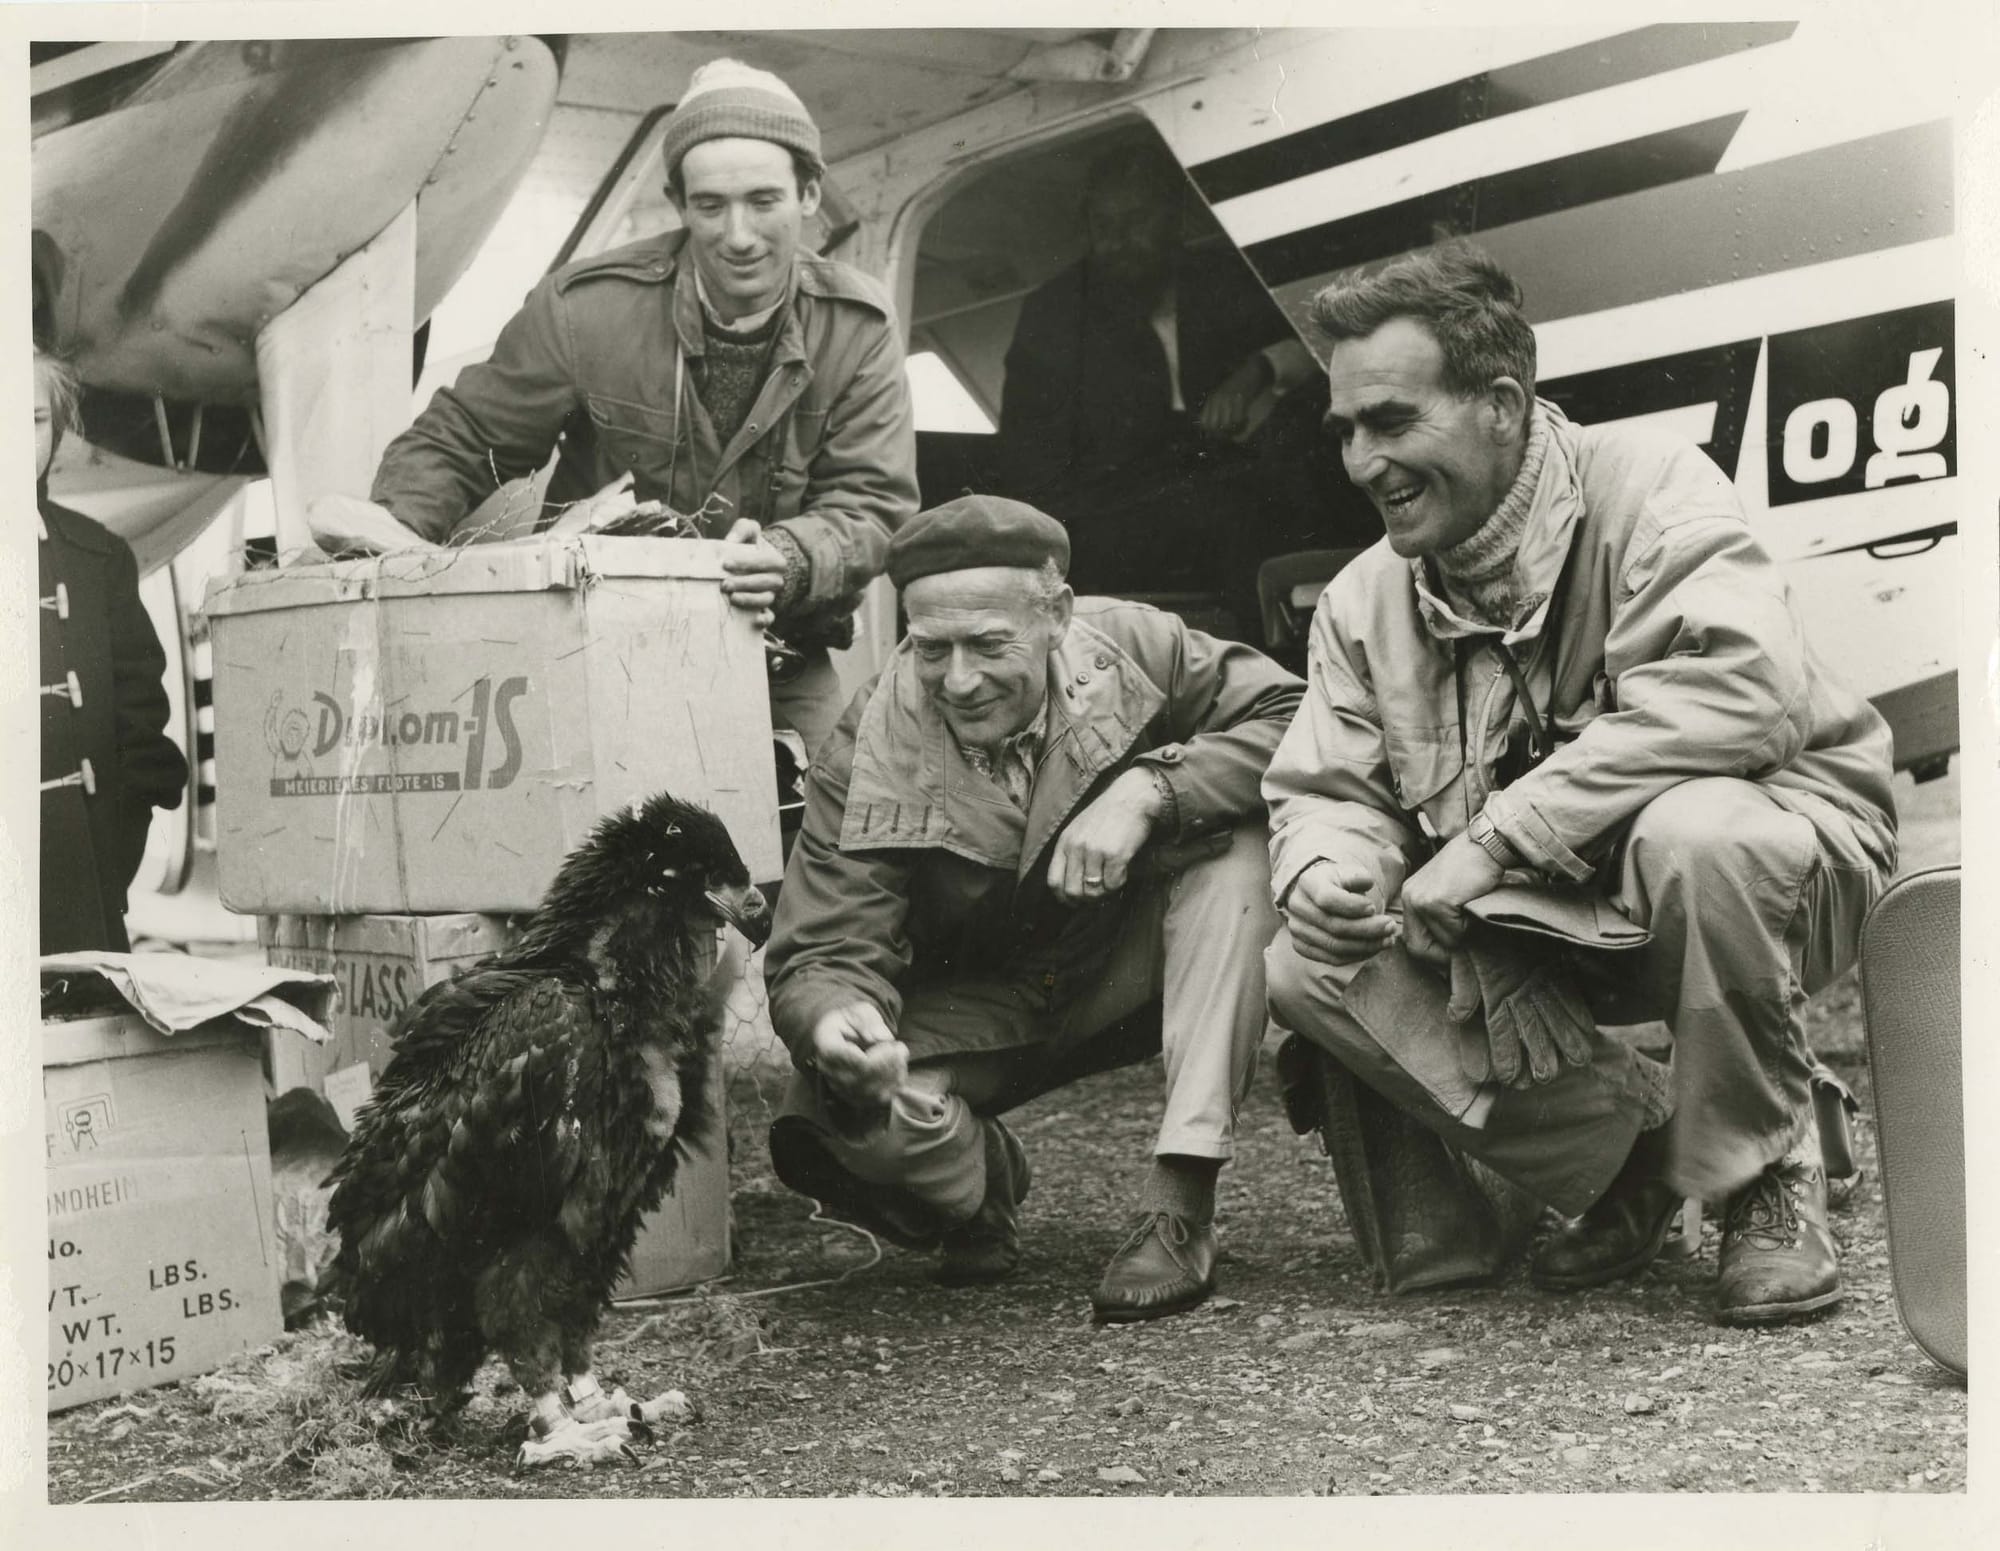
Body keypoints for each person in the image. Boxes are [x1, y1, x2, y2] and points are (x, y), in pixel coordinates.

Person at [1260, 244, 1897, 1325]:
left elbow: (1739, 688)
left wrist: (1495, 838)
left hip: (1779, 870)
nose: (1362, 464)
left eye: (1391, 423)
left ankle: (1762, 1177)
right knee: (1304, 966)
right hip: (1542, 911)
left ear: (1501, 405)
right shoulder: (1362, 599)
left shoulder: (1652, 486)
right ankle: (1634, 1160)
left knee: (1696, 834)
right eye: (1344, 433)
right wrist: (1331, 869)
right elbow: (1328, 789)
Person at [762, 494, 1303, 1320]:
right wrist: (837, 1016)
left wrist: (1155, 788)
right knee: (838, 1122)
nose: (959, 680)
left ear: (1056, 614)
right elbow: (827, 940)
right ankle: (980, 1187)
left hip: (1132, 962)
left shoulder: (1138, 646)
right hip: (991, 1010)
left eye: (987, 644)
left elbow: (1299, 716)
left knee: (1238, 855)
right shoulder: (868, 737)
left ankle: (1182, 1192)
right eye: (930, 647)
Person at [369, 59, 918, 754]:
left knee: (827, 840)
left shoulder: (859, 327)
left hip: (774, 650)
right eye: (711, 206)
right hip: (594, 641)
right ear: (679, 202)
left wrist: (790, 558)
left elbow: (873, 506)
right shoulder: (585, 309)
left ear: (810, 194)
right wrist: (386, 536)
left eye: (764, 200)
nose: (739, 235)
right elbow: (465, 435)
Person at [994, 142, 1333, 628]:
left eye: (1135, 222)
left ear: (1174, 219)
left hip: (1228, 478)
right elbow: (1031, 466)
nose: (1117, 241)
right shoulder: (1055, 315)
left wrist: (1258, 368)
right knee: (1235, 512)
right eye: (1103, 227)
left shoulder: (1223, 280)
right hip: (1105, 510)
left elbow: (1317, 338)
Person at [36, 349, 188, 952]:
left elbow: (141, 724)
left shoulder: (98, 558)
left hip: (83, 897)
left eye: (35, 421)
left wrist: (112, 858)